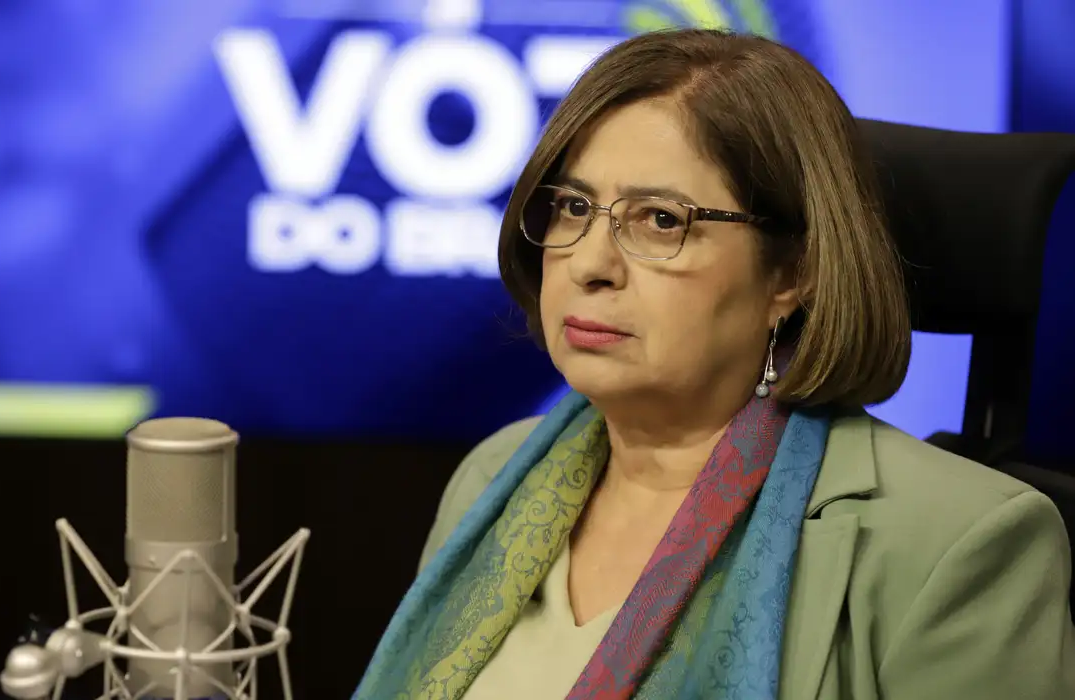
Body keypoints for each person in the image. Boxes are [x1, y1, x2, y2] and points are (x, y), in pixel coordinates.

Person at [354, 28, 1075, 700]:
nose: (590, 263)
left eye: (661, 219)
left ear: (792, 273)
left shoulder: (961, 543)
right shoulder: (494, 477)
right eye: (572, 207)